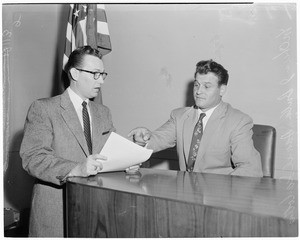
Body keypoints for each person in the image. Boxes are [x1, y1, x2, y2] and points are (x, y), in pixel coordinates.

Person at [20, 46, 115, 237]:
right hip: (57, 214)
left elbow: (109, 154)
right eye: (95, 74)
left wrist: (127, 161)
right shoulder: (44, 109)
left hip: (96, 214)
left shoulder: (104, 112)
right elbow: (33, 157)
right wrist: (75, 169)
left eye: (103, 74)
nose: (102, 80)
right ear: (74, 73)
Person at [129, 60, 263, 177]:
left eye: (207, 86)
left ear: (222, 90)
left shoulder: (238, 121)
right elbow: (157, 139)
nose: (198, 91)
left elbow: (250, 169)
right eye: (196, 85)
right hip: (184, 192)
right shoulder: (179, 116)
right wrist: (143, 139)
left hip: (218, 195)